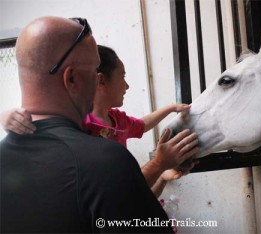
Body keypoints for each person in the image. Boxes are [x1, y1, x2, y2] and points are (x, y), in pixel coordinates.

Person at [0, 16, 199, 233]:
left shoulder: (10, 155)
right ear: (72, 79)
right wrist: (159, 164)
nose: (97, 80)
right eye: (94, 71)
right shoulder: (104, 160)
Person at [1, 45, 197, 197]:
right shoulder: (76, 123)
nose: (127, 85)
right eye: (123, 76)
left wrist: (171, 108)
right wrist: (7, 118)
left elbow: (143, 124)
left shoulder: (117, 120)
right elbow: (34, 126)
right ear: (101, 80)